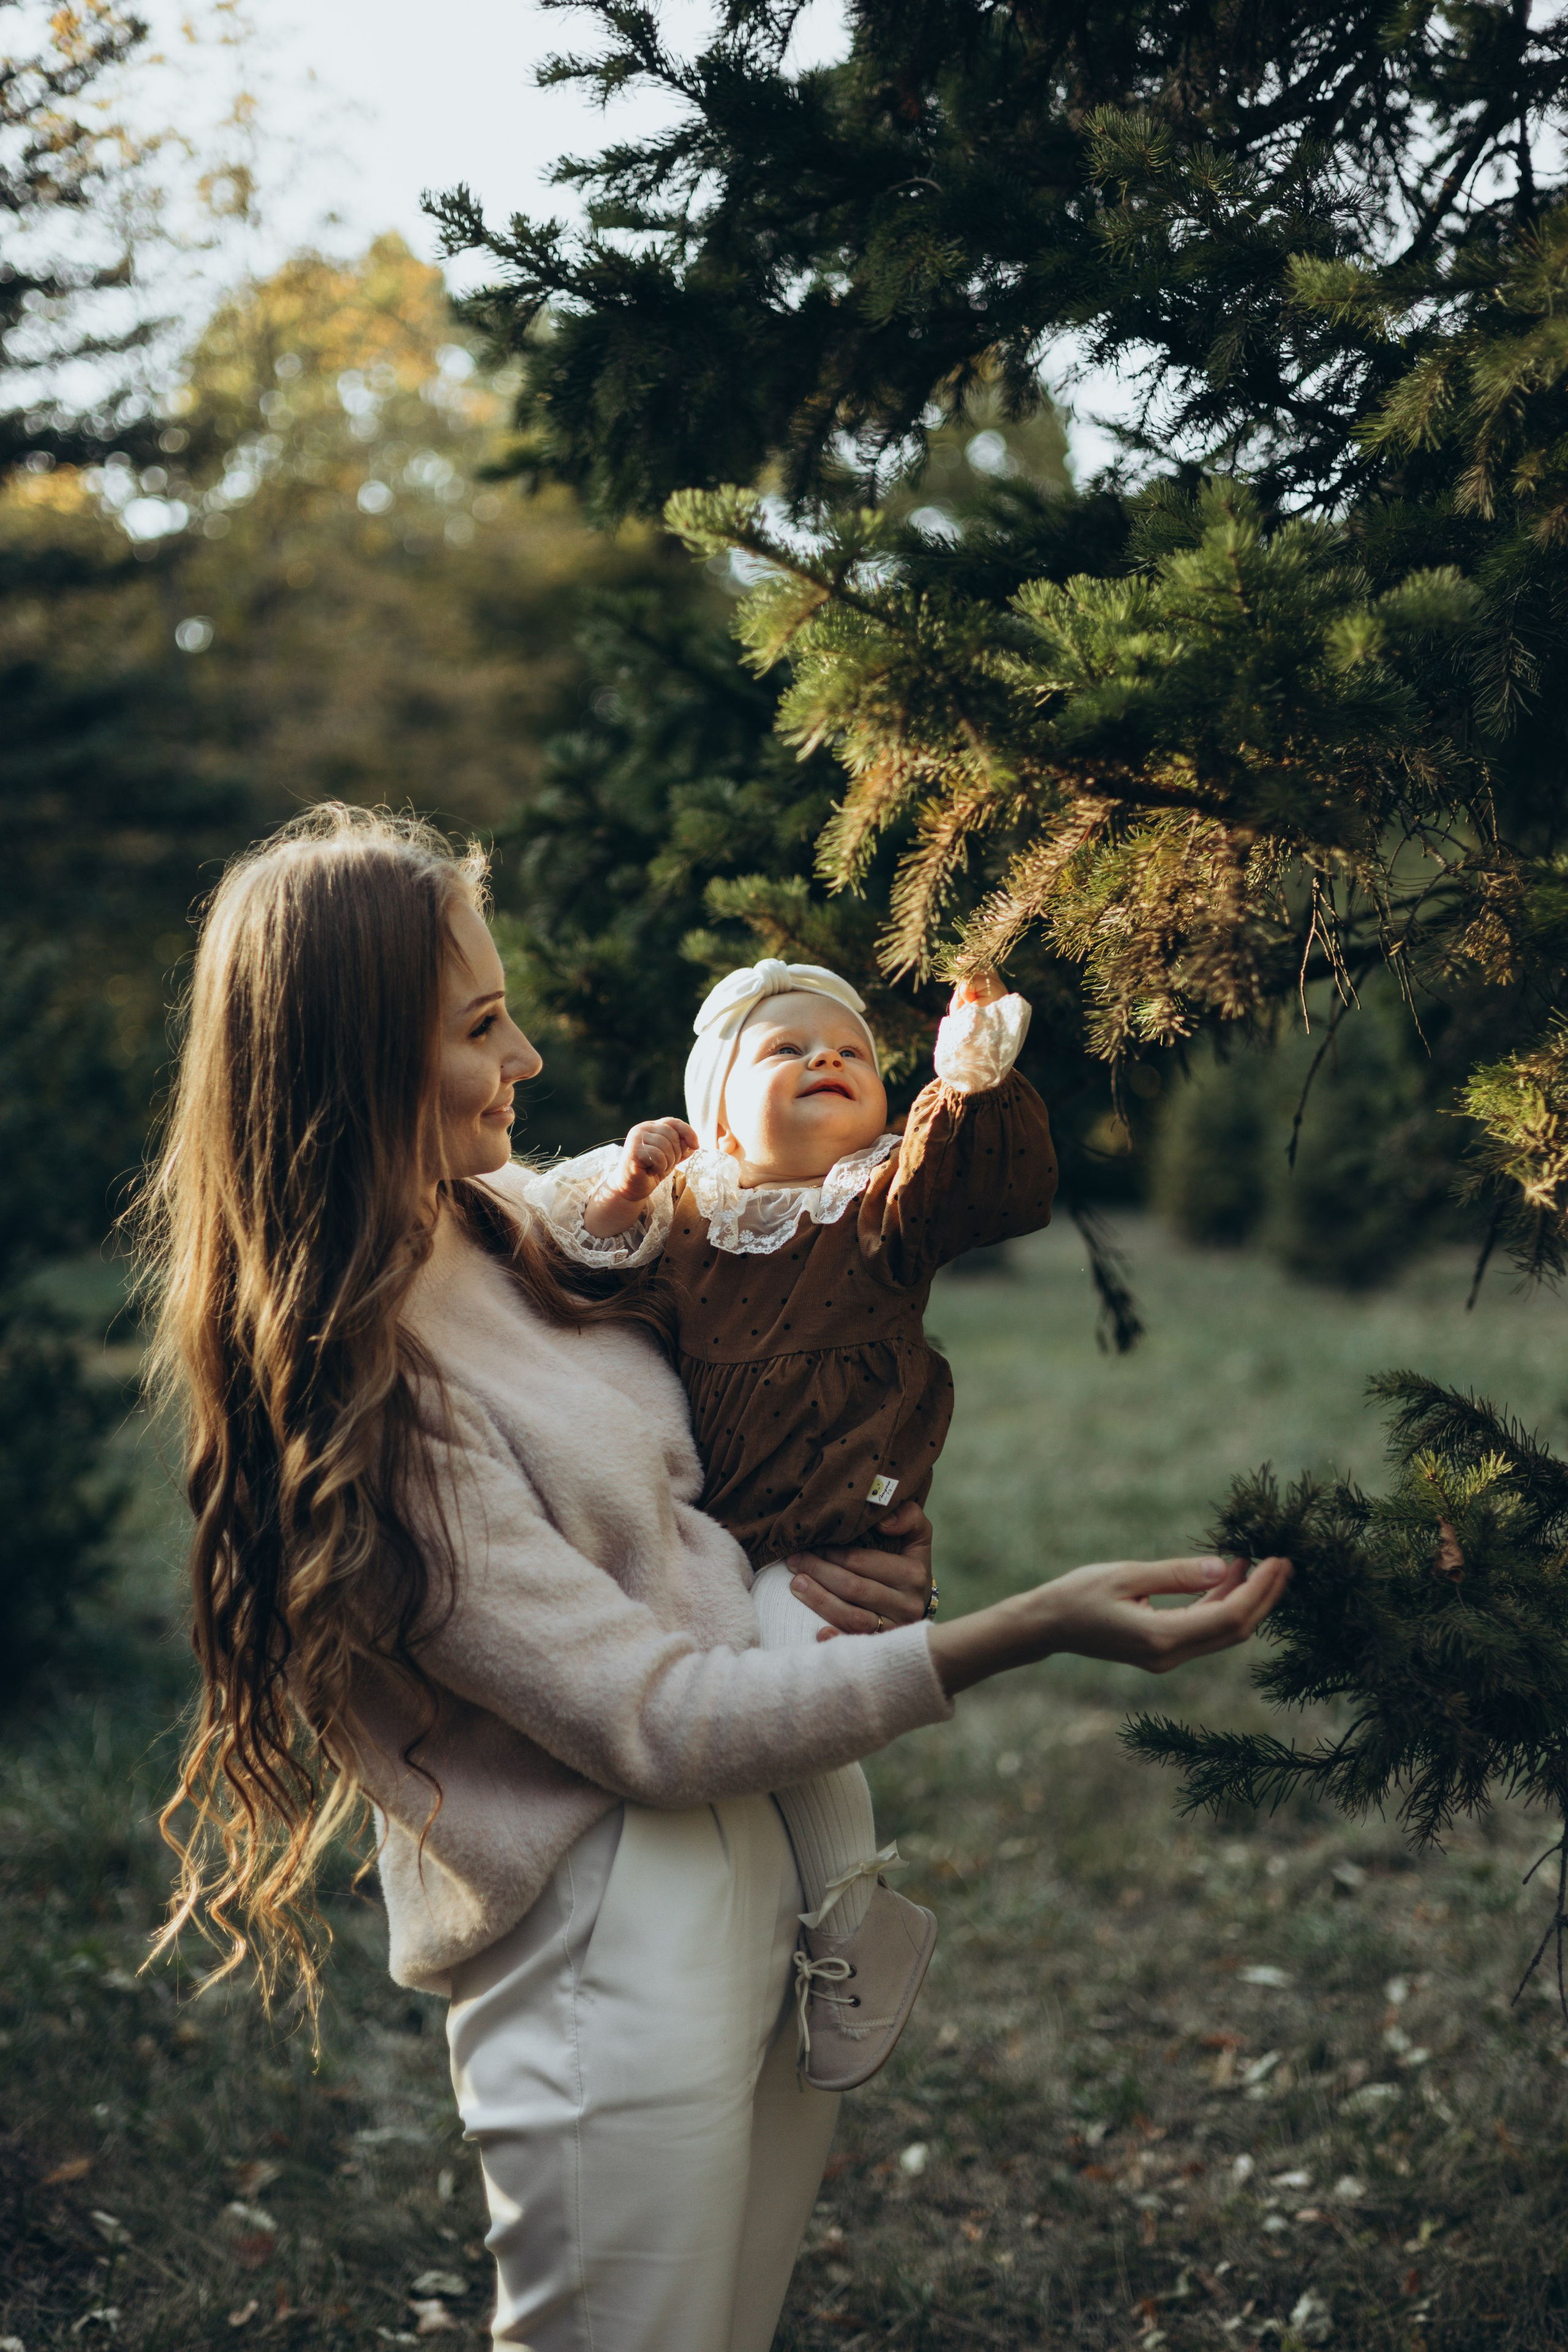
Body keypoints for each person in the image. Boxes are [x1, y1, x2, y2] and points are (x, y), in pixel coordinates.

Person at [143, 805, 1289, 2352]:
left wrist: (849, 1538)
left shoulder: (510, 1227)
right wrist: (1007, 1637)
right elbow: (651, 1721)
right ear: (356, 1063)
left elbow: (744, 1415)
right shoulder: (369, 1390)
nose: (530, 1060)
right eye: (484, 1028)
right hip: (611, 1933)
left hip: (780, 1860)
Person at [523, 956, 1055, 2092]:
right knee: (713, 1701)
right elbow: (586, 1272)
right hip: (708, 1524)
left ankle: (856, 1917)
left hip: (828, 1528)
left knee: (786, 1678)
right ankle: (764, 1940)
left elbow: (967, 1185)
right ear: (713, 1108)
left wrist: (965, 1077)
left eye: (854, 1052)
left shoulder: (874, 1206)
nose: (828, 1058)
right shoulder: (695, 1216)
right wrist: (627, 1186)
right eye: (785, 1050)